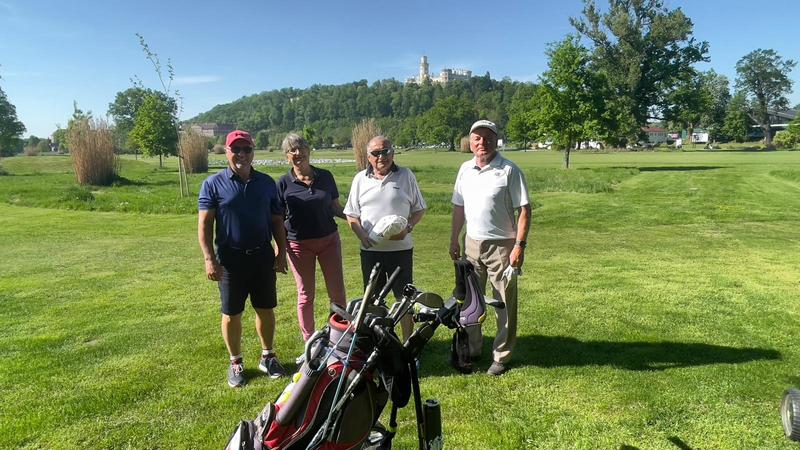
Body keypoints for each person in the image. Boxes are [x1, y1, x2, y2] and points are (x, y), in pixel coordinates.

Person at [198, 129, 288, 388]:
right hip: (230, 261)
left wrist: (281, 252)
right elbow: (205, 224)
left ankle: (268, 356)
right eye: (235, 149)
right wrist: (209, 259)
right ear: (226, 152)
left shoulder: (266, 183)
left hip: (262, 257)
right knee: (231, 313)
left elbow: (277, 221)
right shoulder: (213, 184)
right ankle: (235, 361)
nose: (241, 154)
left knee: (266, 309)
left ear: (252, 152)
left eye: (246, 149)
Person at [449, 120, 531, 376]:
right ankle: (473, 349)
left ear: (496, 140)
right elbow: (459, 207)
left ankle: (501, 355)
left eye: (488, 137)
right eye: (477, 138)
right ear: (470, 141)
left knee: (503, 301)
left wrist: (519, 246)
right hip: (472, 244)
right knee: (471, 301)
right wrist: (454, 238)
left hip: (502, 246)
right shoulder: (465, 169)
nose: (482, 142)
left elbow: (524, 210)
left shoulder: (509, 170)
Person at [344, 136, 426, 340]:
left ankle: (407, 343)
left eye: (386, 151)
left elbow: (419, 209)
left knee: (404, 297)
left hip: (401, 250)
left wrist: (407, 228)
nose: (382, 156)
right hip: (371, 252)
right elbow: (351, 214)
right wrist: (361, 235)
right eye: (376, 153)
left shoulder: (406, 175)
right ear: (368, 157)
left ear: (392, 152)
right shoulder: (360, 179)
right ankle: (377, 341)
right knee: (373, 300)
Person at [277, 133, 347, 345]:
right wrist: (280, 250)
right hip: (299, 245)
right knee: (306, 295)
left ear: (308, 151)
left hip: (329, 241)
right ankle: (310, 343)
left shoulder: (325, 176)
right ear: (286, 156)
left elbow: (335, 207)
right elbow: (278, 220)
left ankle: (338, 339)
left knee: (338, 294)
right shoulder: (283, 183)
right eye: (292, 150)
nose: (298, 153)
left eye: (301, 148)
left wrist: (356, 219)